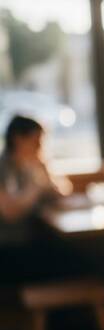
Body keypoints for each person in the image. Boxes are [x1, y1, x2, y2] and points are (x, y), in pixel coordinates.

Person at [0, 115, 74, 283]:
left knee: (76, 258)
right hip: (10, 247)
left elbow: (62, 193)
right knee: (73, 264)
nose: (40, 147)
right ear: (18, 139)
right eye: (36, 141)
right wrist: (36, 187)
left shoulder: (33, 164)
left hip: (33, 240)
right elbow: (10, 212)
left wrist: (45, 172)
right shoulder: (3, 168)